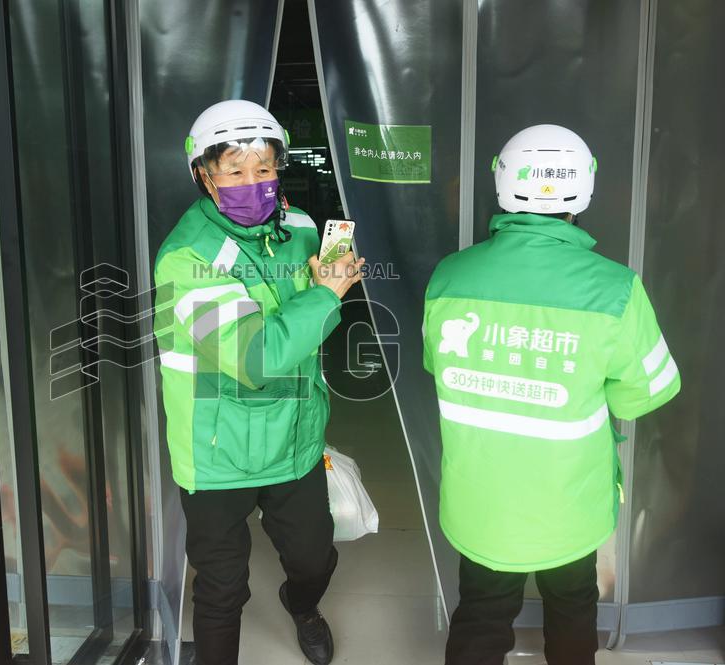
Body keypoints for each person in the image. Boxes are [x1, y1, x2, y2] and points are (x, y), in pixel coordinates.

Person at [423, 124, 681, 665]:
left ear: (502, 181)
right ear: (583, 190)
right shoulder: (616, 289)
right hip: (570, 505)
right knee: (571, 611)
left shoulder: (450, 277)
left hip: (481, 502)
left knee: (482, 614)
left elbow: (438, 365)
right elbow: (645, 393)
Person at [153, 99, 364, 665]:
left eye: (264, 168)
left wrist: (326, 284)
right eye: (235, 170)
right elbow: (257, 356)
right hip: (217, 454)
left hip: (293, 438)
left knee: (315, 560)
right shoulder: (188, 259)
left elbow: (314, 322)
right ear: (204, 174)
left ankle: (303, 605)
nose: (254, 182)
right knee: (222, 587)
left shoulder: (297, 228)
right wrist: (328, 293)